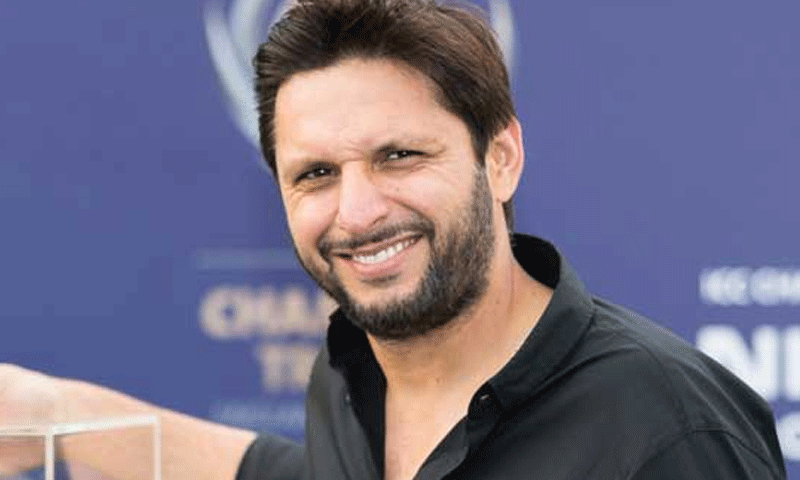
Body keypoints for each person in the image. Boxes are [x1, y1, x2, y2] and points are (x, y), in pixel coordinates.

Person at [0, 0, 787, 479]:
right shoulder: (350, 377)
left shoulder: (667, 428)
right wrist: (55, 413)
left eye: (400, 156)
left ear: (500, 158)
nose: (358, 211)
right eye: (315, 174)